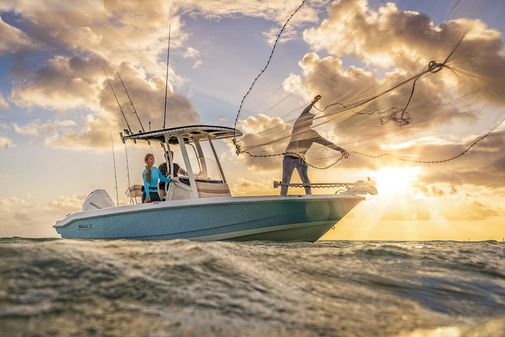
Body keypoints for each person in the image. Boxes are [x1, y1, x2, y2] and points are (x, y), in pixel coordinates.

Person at [281, 94, 350, 196]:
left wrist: (341, 150)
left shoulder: (313, 134)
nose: (310, 120)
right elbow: (304, 112)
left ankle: (309, 197)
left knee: (306, 181)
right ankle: (283, 197)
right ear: (303, 120)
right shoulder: (298, 126)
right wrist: (313, 103)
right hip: (289, 158)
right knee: (286, 180)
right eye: (309, 118)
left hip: (301, 160)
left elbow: (327, 143)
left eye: (311, 119)